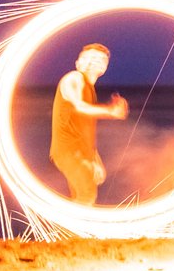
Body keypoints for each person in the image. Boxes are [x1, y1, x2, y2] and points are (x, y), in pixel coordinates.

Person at [50, 42, 128, 204]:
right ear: (78, 63)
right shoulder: (74, 78)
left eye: (100, 59)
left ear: (104, 68)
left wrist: (95, 160)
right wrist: (110, 111)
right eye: (88, 58)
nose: (93, 61)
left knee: (81, 197)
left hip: (79, 152)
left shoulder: (89, 90)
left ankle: (66, 229)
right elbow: (79, 106)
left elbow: (85, 129)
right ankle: (66, 229)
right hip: (68, 150)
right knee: (87, 195)